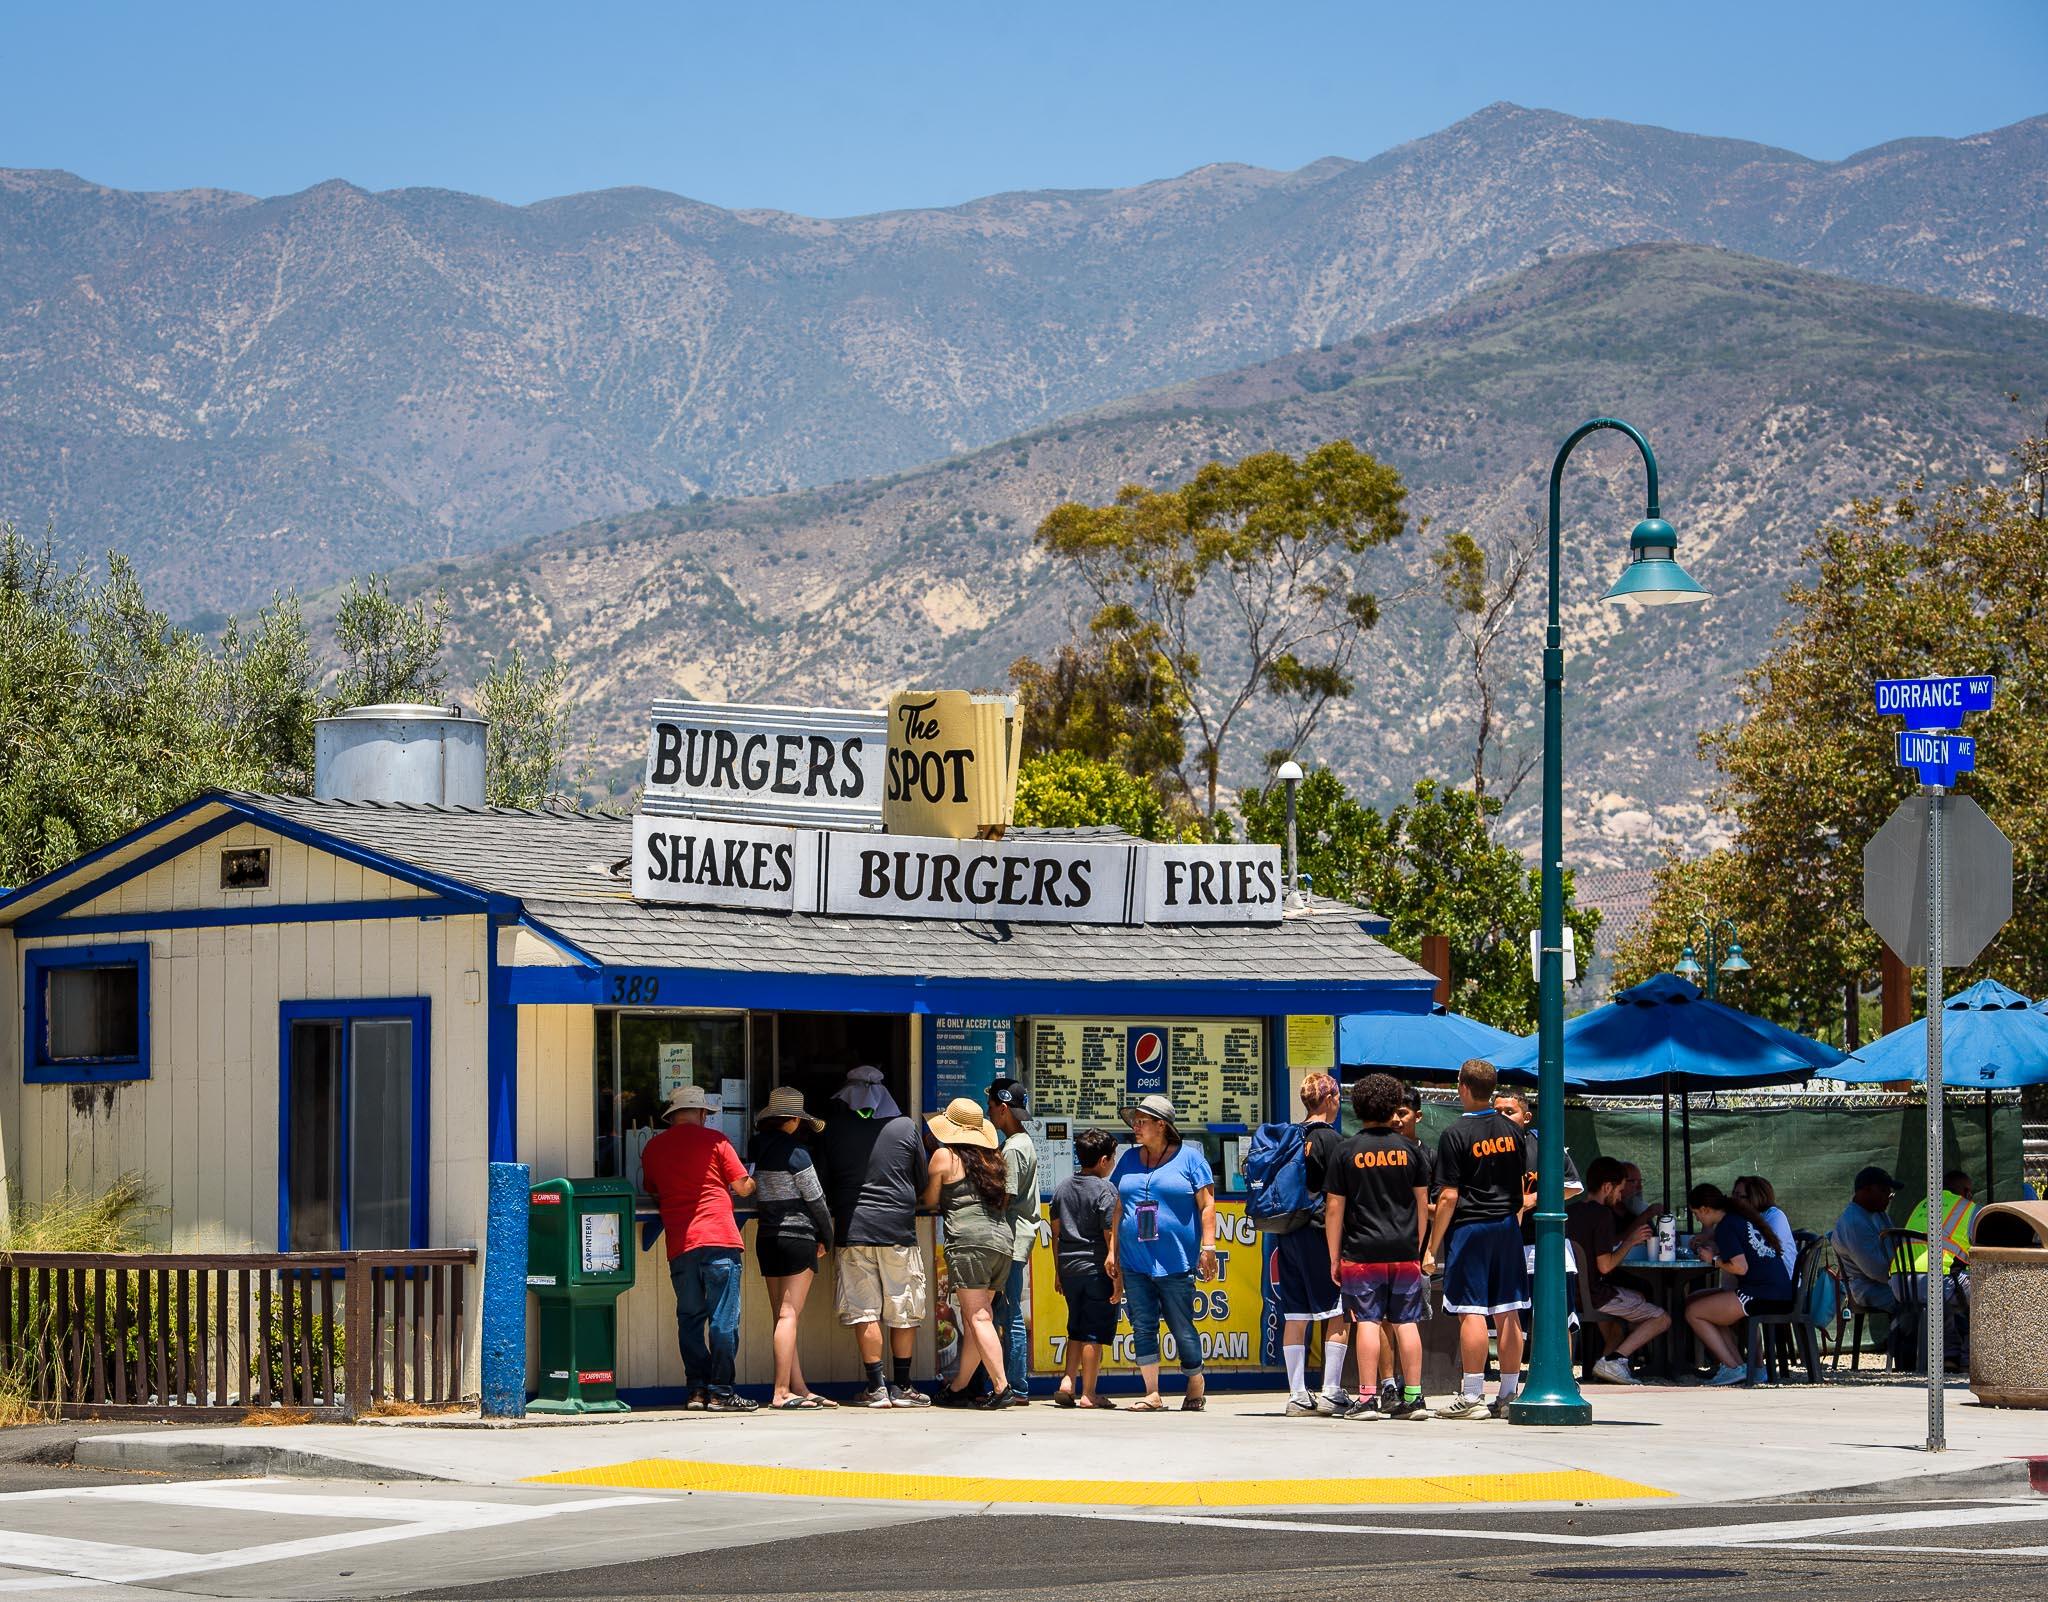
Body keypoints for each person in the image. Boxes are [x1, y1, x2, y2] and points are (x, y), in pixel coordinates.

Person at [815, 1066, 931, 1408]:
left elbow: (823, 1183)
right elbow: (921, 1182)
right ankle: (904, 1387)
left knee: (864, 1310)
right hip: (898, 1230)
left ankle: (876, 1388)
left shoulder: (833, 1130)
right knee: (903, 1307)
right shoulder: (906, 1127)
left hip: (853, 1229)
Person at [639, 1083, 760, 1412]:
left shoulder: (652, 1149)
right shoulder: (716, 1141)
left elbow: (654, 1190)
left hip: (681, 1244)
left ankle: (696, 1391)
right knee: (723, 1320)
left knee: (690, 1320)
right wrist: (754, 1178)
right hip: (720, 1239)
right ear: (703, 1113)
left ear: (672, 1115)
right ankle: (721, 1391)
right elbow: (742, 1187)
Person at [1425, 1058, 1529, 1420]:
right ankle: (1507, 1393)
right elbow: (1520, 1186)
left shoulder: (1455, 1134)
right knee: (1507, 1309)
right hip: (1506, 1226)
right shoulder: (1513, 1132)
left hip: (1471, 1228)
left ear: (1463, 1088)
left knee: (1471, 1311)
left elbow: (1449, 1196)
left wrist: (1431, 1246)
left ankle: (1471, 1395)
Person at [1326, 1073, 1432, 1420]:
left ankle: (1368, 1398)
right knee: (1406, 1322)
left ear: (1357, 1108)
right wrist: (1417, 1246)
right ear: (1392, 1107)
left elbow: (1334, 1208)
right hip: (1404, 1250)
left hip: (1361, 1251)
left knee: (1368, 1321)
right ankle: (1414, 1398)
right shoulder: (1410, 1151)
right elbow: (1421, 1204)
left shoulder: (1346, 1151)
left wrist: (1334, 1256)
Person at [1110, 1093, 1218, 1412]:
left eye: (1142, 1122)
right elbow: (1118, 1207)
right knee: (1142, 1324)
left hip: (1176, 1260)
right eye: (1135, 1121)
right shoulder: (1128, 1159)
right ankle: (1152, 1392)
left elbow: (1207, 1205)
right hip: (1133, 1259)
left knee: (1181, 1325)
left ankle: (1195, 1380)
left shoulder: (1191, 1158)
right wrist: (1112, 1252)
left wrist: (1208, 1247)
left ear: (1162, 1125)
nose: (1136, 1127)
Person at [923, 1097, 1018, 1409]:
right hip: (1001, 1242)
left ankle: (1002, 1388)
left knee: (976, 1317)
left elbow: (930, 1200)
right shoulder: (994, 1159)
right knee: (980, 1317)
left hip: (969, 1243)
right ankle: (959, 1387)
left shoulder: (943, 1157)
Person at [748, 1085, 837, 1410]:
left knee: (783, 1316)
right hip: (798, 1237)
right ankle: (781, 1391)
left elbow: (750, 1186)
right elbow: (816, 1199)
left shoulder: (756, 1147)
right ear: (794, 1120)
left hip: (767, 1238)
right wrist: (827, 1237)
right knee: (789, 1315)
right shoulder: (798, 1153)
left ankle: (798, 1387)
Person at [1276, 1072, 1351, 1416]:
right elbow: (1338, 1198)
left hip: (1289, 1232)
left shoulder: (1290, 1136)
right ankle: (1331, 1390)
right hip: (1322, 1232)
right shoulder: (1332, 1141)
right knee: (1337, 1311)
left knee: (1296, 1313)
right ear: (1331, 1099)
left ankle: (1297, 1395)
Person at [1567, 1155, 1668, 1384]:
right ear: (1607, 1187)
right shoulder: (1603, 1215)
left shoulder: (1571, 1212)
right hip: (1595, 1295)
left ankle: (1603, 1367)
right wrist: (1630, 1242)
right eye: (1619, 1190)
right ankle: (1615, 1360)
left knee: (1618, 1327)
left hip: (1574, 1294)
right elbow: (1606, 1264)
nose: (1621, 1196)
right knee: (1662, 1318)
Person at [1372, 1083, 1441, 1412]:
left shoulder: (1427, 1155)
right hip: (1376, 1248)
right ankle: (1387, 1386)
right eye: (1392, 1113)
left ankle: (1411, 1389)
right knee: (1383, 1319)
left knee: (1408, 1320)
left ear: (1418, 1115)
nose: (1397, 1119)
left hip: (1414, 1253)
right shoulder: (1375, 1151)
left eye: (1403, 1113)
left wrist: (1430, 1249)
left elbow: (1442, 1206)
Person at [1685, 1181, 1794, 1385]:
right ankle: (1737, 1367)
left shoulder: (1727, 1226)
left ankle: (1733, 1367)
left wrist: (1713, 1260)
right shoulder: (1738, 1219)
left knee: (1694, 1312)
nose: (1697, 1218)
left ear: (1706, 1209)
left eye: (1696, 1213)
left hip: (1763, 1294)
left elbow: (1740, 1267)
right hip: (1778, 1290)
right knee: (1701, 1305)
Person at [1049, 1126, 1122, 1409]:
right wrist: (1117, 1277)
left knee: (1076, 1327)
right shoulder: (1106, 1190)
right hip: (1096, 1267)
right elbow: (1110, 1236)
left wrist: (1058, 1272)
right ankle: (1089, 1393)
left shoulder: (1062, 1188)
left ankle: (1067, 1381)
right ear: (1104, 1160)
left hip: (1069, 1268)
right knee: (1094, 1332)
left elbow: (1055, 1233)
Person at [987, 1077, 1040, 1404]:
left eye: (991, 1106)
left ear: (1003, 1108)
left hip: (1011, 1240)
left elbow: (1004, 1198)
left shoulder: (1014, 1148)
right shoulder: (1020, 1143)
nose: (988, 1111)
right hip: (1017, 1238)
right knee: (1004, 1313)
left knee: (1010, 1315)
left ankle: (1017, 1387)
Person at [1830, 1166, 1900, 1319]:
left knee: (1930, 1292)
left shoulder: (1878, 1213)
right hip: (1869, 1289)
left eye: (1891, 1193)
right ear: (1865, 1190)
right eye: (1884, 1191)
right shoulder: (1855, 1223)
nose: (1889, 1197)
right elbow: (1878, 1271)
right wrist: (1911, 1280)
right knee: (1921, 1296)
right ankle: (1907, 1340)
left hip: (1886, 1284)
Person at [1904, 1168, 1976, 1276]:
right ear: (1967, 1192)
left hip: (1900, 1278)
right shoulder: (1968, 1207)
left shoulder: (1921, 1204)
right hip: (1937, 1276)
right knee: (1988, 1286)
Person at [1730, 1175, 1796, 1268]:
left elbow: (1766, 1252)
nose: (1733, 1200)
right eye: (1733, 1194)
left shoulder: (1775, 1216)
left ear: (1754, 1197)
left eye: (1738, 1196)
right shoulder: (1743, 1218)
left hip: (1781, 1278)